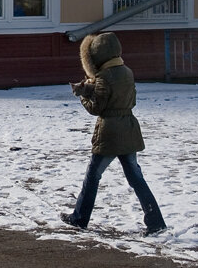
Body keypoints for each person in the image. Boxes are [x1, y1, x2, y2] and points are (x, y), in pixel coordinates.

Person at [62, 31, 166, 237]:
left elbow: (97, 108)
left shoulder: (103, 76)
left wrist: (82, 94)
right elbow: (128, 99)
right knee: (137, 178)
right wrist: (95, 90)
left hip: (109, 133)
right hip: (128, 128)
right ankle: (156, 222)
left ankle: (80, 219)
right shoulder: (127, 71)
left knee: (92, 176)